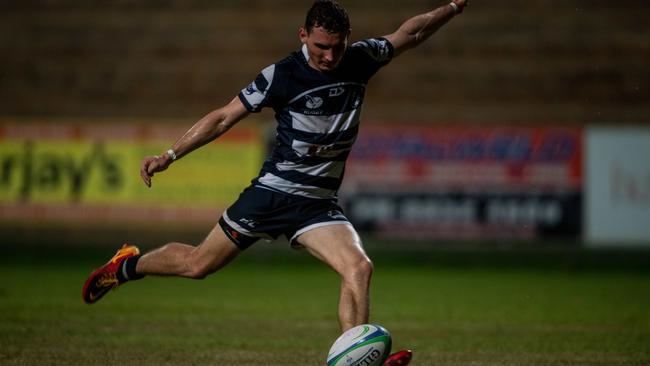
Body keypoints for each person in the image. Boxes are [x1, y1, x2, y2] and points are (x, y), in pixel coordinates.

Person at [82, 1, 468, 364]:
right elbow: (222, 118)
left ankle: (355, 357)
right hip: (272, 194)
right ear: (303, 35)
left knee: (359, 267)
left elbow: (411, 34)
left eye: (337, 47)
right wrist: (169, 155)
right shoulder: (280, 76)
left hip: (317, 204)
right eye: (320, 47)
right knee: (198, 264)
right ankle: (126, 267)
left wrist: (452, 7)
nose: (329, 56)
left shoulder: (360, 59)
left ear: (347, 39)